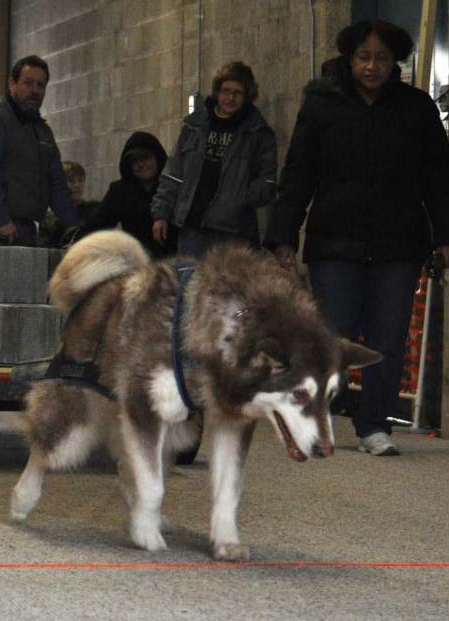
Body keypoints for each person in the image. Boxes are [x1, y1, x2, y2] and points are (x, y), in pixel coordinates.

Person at [264, 20, 449, 456]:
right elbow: (298, 175)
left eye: (382, 58)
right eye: (364, 57)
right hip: (335, 244)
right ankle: (313, 419)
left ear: (395, 63)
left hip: (397, 245)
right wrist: (283, 235)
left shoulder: (417, 109)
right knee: (333, 337)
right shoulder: (322, 105)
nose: (372, 66)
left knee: (387, 338)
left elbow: (439, 179)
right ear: (350, 60)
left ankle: (374, 425)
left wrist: (444, 236)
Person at [151, 61, 277, 258]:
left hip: (235, 233)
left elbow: (268, 179)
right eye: (226, 91)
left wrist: (241, 200)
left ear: (247, 96)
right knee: (192, 285)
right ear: (217, 92)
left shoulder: (258, 133)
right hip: (193, 227)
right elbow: (174, 173)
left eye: (238, 92)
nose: (230, 97)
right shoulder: (194, 127)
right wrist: (161, 214)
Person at [0, 55, 78, 246]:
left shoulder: (42, 131)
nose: (34, 90)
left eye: (40, 85)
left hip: (23, 228)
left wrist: (73, 228)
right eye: (28, 83)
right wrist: (0, 219)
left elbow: (56, 182)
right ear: (12, 83)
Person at [84, 131, 176, 258]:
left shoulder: (172, 188)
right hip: (135, 260)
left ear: (157, 158)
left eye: (145, 158)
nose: (140, 164)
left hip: (171, 258)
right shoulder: (120, 191)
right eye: (134, 161)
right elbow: (98, 224)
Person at [37, 160, 99, 248]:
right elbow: (44, 250)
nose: (77, 185)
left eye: (80, 180)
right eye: (71, 181)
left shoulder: (93, 210)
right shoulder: (49, 219)